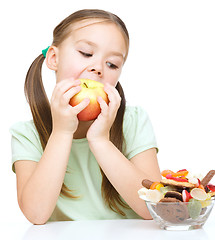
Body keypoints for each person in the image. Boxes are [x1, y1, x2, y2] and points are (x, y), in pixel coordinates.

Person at [10, 9, 161, 224]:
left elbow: (154, 207)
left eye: (112, 64)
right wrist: (62, 132)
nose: (98, 68)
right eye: (86, 53)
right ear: (54, 58)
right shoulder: (27, 134)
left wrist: (100, 140)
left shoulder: (134, 121)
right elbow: (36, 214)